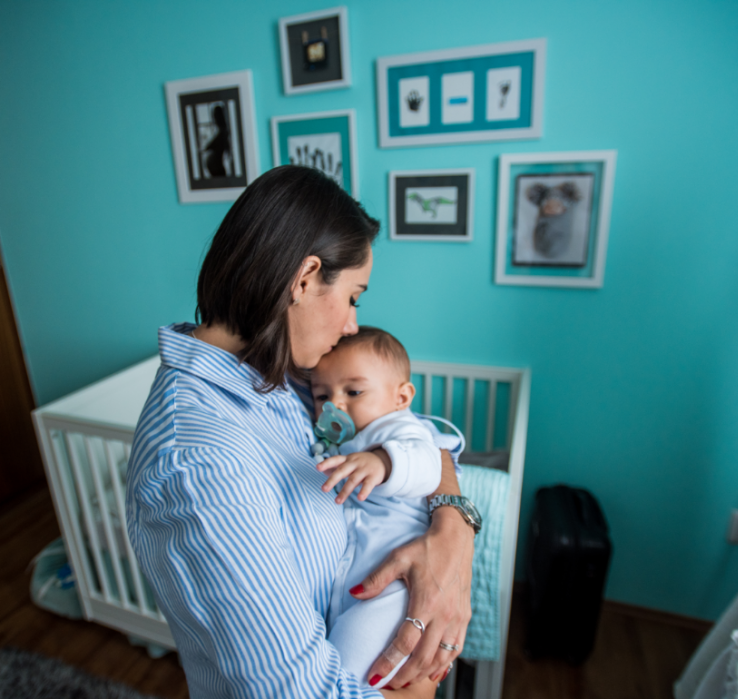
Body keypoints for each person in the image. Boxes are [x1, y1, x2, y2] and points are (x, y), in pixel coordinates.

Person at [126, 166, 476, 699]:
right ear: (306, 277)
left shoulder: (282, 375)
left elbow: (417, 436)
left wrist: (453, 531)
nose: (353, 324)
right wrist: (420, 686)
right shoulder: (198, 462)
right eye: (354, 296)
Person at [310, 327, 466, 688]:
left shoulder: (396, 430)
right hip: (356, 585)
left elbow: (427, 464)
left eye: (354, 391)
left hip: (397, 588)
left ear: (402, 396)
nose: (336, 405)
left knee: (349, 672)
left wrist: (384, 462)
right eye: (321, 395)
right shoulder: (335, 439)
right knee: (337, 663)